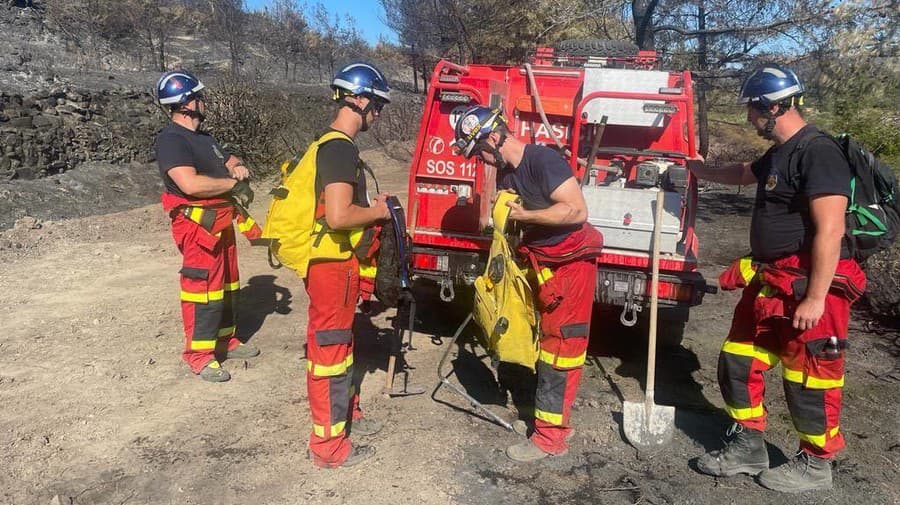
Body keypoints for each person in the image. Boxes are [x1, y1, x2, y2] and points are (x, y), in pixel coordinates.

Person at [687, 64, 866, 492]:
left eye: (753, 109)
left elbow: (830, 229)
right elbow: (745, 174)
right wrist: (698, 170)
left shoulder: (818, 151)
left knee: (810, 375)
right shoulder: (781, 151)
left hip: (810, 284)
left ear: (775, 105)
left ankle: (816, 462)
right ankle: (748, 444)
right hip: (774, 280)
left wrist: (816, 298)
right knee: (738, 358)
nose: (750, 117)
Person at [453, 106, 603, 462]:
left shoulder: (542, 161)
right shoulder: (508, 176)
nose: (482, 161)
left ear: (493, 137)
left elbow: (576, 211)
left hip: (570, 268)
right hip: (543, 267)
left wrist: (523, 215)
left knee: (560, 351)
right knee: (544, 344)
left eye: (480, 153)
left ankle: (550, 439)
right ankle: (550, 423)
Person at [301, 61, 392, 468]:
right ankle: (329, 447)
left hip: (335, 263)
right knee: (330, 352)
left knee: (340, 346)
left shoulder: (336, 146)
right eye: (377, 106)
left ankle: (347, 414)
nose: (377, 115)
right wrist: (377, 213)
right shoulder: (338, 149)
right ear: (359, 100)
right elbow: (338, 217)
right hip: (330, 266)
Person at [154, 69, 260, 383]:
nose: (203, 101)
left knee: (227, 286)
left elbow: (227, 159)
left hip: (221, 221)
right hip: (198, 227)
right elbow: (190, 184)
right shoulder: (171, 140)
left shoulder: (204, 137)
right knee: (203, 291)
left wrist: (237, 165)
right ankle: (199, 355)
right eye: (198, 96)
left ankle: (226, 339)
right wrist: (230, 185)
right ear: (185, 103)